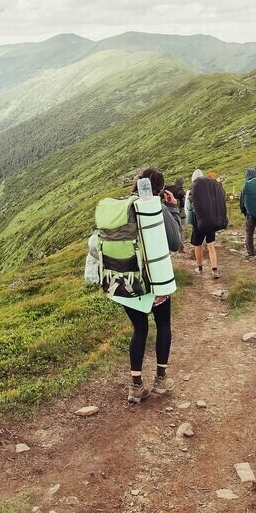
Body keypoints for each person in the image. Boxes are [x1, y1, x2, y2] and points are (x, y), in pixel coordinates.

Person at [92, 167, 183, 404]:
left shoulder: (123, 209)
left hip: (125, 282)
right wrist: (173, 208)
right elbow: (176, 243)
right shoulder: (155, 208)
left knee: (139, 329)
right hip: (154, 282)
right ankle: (161, 380)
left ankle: (135, 386)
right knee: (163, 324)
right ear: (160, 190)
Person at [185, 169, 221, 279]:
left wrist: (190, 221)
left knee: (198, 245)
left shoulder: (190, 190)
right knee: (210, 245)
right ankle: (214, 270)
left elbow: (188, 209)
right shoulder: (209, 189)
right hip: (210, 221)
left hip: (198, 222)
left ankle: (200, 268)